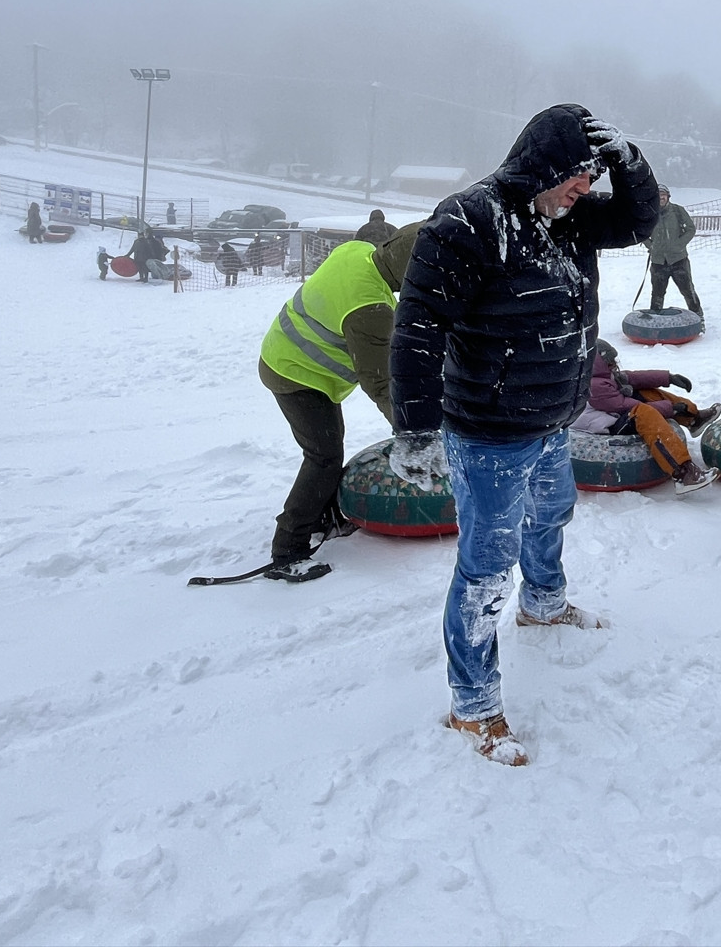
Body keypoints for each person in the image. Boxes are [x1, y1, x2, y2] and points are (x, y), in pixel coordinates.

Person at [390, 105, 659, 767]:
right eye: (577, 176)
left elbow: (637, 221)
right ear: (543, 166)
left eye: (593, 177)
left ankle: (543, 604)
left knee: (551, 515)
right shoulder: (467, 222)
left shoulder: (570, 219)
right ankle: (473, 706)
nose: (584, 189)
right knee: (486, 568)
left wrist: (629, 162)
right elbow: (418, 329)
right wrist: (416, 429)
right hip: (489, 433)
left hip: (551, 420)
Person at [261, 223, 423, 573]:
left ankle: (322, 517)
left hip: (289, 359)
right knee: (323, 457)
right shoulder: (369, 308)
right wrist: (413, 432)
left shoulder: (358, 252)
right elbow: (380, 382)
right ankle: (288, 550)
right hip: (295, 374)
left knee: (328, 448)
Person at [573, 339, 720, 491]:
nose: (614, 364)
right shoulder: (593, 386)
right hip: (606, 425)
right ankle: (683, 473)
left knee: (645, 391)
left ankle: (693, 419)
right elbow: (624, 406)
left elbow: (634, 378)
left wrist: (669, 378)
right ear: (597, 365)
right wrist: (671, 408)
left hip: (612, 414)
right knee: (644, 413)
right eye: (609, 362)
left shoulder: (603, 376)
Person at [645, 187, 703, 319]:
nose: (661, 197)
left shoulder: (677, 211)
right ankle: (655, 321)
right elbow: (641, 232)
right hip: (658, 261)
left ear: (668, 196)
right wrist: (651, 245)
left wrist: (679, 244)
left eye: (664, 195)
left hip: (678, 259)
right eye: (658, 195)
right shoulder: (649, 213)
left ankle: (698, 318)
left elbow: (690, 229)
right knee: (657, 294)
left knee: (688, 291)